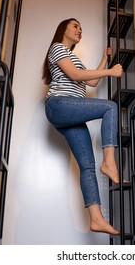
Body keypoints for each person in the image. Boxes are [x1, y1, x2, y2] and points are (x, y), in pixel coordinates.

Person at [42, 18, 124, 235]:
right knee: (110, 107)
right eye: (75, 26)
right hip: (59, 105)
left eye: (81, 27)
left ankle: (96, 219)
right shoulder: (57, 48)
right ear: (63, 29)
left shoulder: (73, 57)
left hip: (71, 115)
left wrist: (104, 60)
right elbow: (76, 75)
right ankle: (109, 162)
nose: (80, 30)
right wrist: (111, 72)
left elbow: (91, 82)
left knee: (87, 165)